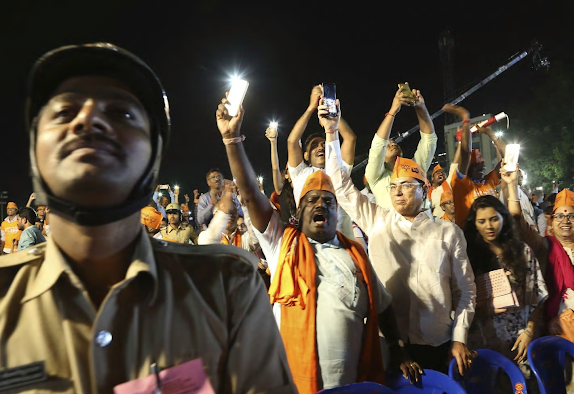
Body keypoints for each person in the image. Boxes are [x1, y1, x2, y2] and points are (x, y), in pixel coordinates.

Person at [0, 42, 294, 393]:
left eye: (121, 114)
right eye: (64, 112)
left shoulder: (226, 288)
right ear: (35, 148)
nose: (89, 119)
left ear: (153, 154)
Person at [215, 92, 416, 393]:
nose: (320, 205)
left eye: (328, 201)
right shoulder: (282, 243)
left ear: (338, 212)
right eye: (311, 200)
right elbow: (249, 196)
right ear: (298, 211)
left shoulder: (356, 255)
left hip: (349, 384)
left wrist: (399, 352)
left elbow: (383, 307)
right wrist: (232, 141)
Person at [324, 99, 476, 376]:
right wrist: (331, 133)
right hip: (388, 343)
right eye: (393, 186)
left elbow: (465, 290)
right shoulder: (378, 221)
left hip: (437, 343)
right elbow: (340, 185)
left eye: (406, 185)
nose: (397, 192)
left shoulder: (448, 232)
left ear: (424, 189)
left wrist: (460, 337)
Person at [504, 169, 574, 387]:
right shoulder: (544, 246)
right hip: (556, 337)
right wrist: (511, 186)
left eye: (572, 216)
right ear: (551, 221)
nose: (566, 221)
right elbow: (517, 223)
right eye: (560, 216)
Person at [463, 196, 547, 389]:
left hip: (518, 341)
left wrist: (529, 332)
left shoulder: (521, 251)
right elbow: (460, 303)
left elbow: (536, 294)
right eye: (481, 221)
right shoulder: (468, 257)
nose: (489, 226)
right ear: (474, 223)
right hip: (483, 342)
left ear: (503, 218)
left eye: (494, 219)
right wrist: (483, 311)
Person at [286, 85, 356, 239]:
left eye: (324, 144)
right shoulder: (300, 174)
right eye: (314, 146)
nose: (321, 146)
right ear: (305, 155)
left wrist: (333, 121)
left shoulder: (339, 169)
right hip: (309, 243)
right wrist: (312, 107)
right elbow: (292, 141)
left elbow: (350, 138)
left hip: (342, 242)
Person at [364, 84, 437, 210]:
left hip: (421, 228)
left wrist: (421, 108)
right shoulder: (376, 176)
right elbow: (377, 147)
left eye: (393, 142)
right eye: (387, 145)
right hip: (392, 230)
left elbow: (429, 140)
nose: (392, 143)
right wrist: (393, 111)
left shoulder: (414, 168)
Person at [442, 104, 506, 228]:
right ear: (468, 166)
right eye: (477, 164)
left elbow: (508, 158)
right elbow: (465, 153)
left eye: (482, 163)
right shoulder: (460, 183)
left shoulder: (489, 181)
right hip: (470, 243)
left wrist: (490, 133)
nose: (482, 167)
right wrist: (465, 118)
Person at [266, 125, 297, 225]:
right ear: (286, 175)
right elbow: (275, 168)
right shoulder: (281, 190)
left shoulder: (304, 187)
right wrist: (273, 142)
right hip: (288, 235)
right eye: (290, 169)